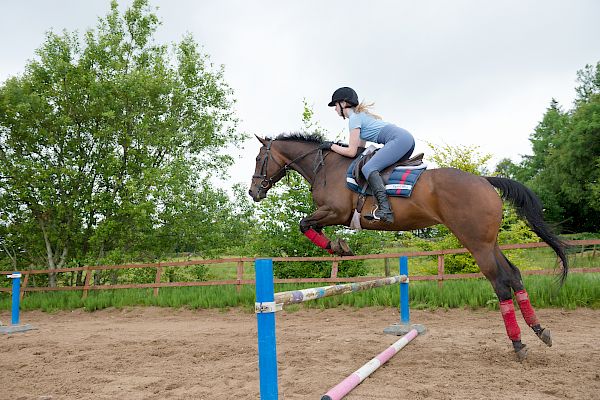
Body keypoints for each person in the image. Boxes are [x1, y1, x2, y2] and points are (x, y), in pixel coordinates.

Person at [322, 87, 415, 223]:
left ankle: (385, 210)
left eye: (335, 105)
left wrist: (331, 146)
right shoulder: (360, 117)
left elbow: (351, 152)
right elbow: (360, 149)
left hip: (399, 139)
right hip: (406, 140)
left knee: (368, 168)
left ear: (343, 104)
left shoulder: (354, 119)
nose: (335, 109)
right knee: (378, 168)